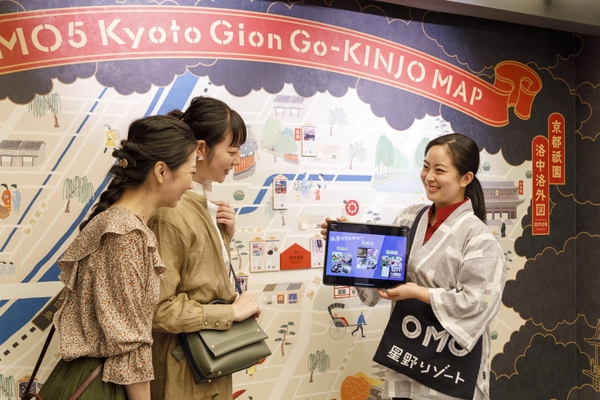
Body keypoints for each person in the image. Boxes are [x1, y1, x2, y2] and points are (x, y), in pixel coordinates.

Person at [322, 133, 506, 400]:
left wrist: (417, 292)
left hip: (448, 366)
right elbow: (381, 275)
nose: (429, 176)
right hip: (407, 352)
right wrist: (349, 242)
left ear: (466, 178)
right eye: (426, 167)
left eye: (439, 170)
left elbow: (477, 303)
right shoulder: (409, 218)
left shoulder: (478, 237)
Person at [39, 116, 198, 400]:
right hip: (102, 385)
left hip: (92, 379)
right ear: (161, 171)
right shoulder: (125, 235)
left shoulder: (120, 225)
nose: (191, 185)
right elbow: (128, 346)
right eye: (191, 173)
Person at [148, 96, 261, 400]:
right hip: (184, 367)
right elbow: (158, 309)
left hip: (211, 358)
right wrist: (231, 312)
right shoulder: (170, 212)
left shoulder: (205, 205)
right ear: (200, 149)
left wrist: (225, 237)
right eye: (232, 151)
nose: (237, 161)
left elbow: (199, 280)